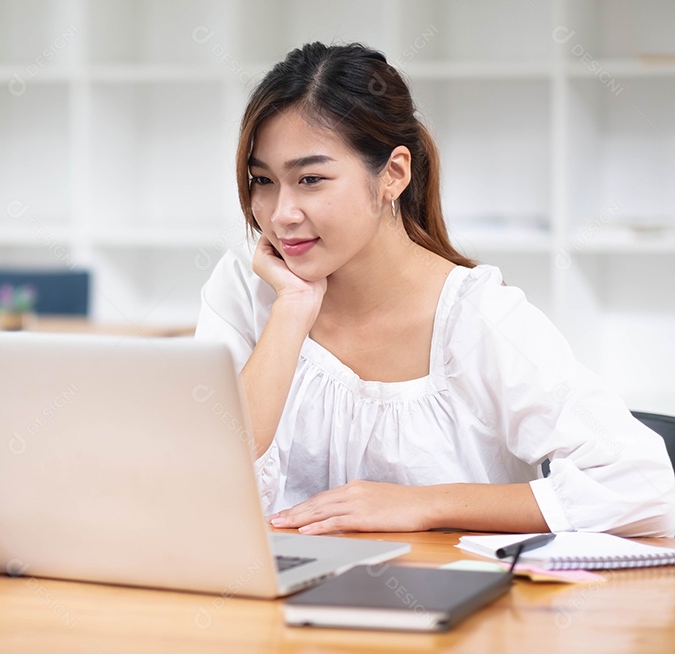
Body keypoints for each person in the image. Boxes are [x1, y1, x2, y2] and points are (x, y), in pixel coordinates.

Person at [195, 42, 675, 537]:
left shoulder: (479, 316)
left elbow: (644, 487)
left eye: (311, 179)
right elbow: (201, 474)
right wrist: (292, 310)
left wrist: (427, 505)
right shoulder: (247, 289)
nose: (280, 214)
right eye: (262, 180)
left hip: (454, 600)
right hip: (273, 600)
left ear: (393, 175)